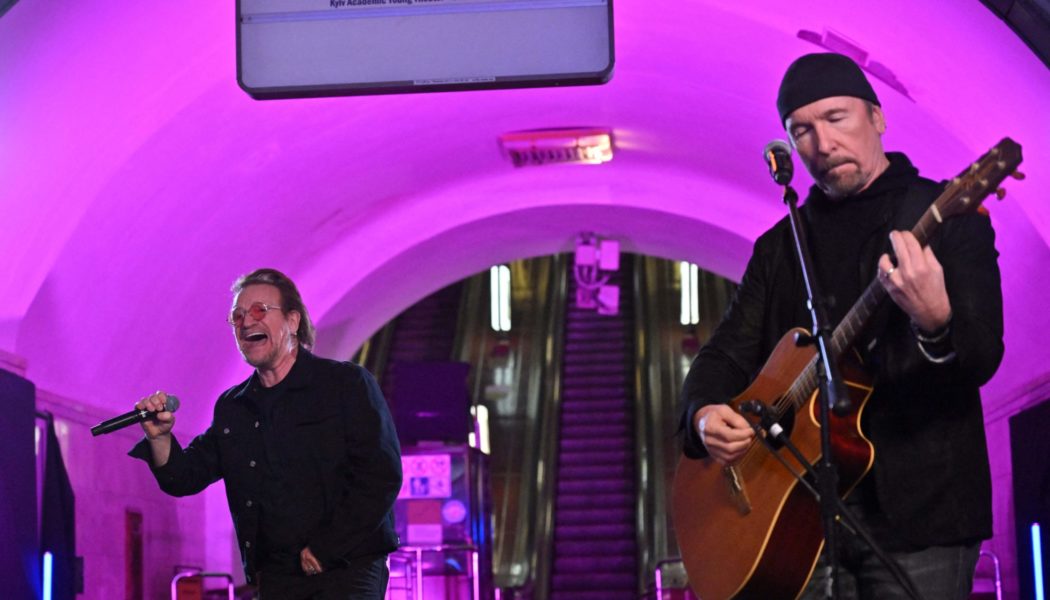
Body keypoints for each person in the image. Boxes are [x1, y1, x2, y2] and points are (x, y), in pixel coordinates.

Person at [679, 53, 1004, 599]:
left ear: (877, 117)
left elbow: (982, 356)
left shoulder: (947, 215)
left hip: (923, 517)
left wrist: (935, 321)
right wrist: (703, 416)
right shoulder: (781, 247)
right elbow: (722, 356)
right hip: (798, 516)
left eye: (836, 118)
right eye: (801, 130)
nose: (822, 144)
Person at [129, 268, 402, 599]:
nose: (247, 322)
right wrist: (160, 438)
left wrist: (324, 550)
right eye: (238, 315)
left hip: (346, 569)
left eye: (260, 310)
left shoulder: (345, 385)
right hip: (277, 577)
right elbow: (184, 477)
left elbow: (381, 476)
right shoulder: (234, 407)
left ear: (292, 321)